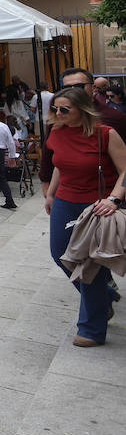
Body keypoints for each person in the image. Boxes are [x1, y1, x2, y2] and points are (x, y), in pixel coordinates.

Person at [42, 85, 126, 347]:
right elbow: (59, 164)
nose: (58, 113)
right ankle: (104, 296)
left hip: (96, 205)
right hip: (65, 201)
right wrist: (51, 194)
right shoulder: (57, 132)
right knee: (60, 255)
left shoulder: (105, 134)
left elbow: (125, 170)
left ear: (82, 110)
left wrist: (113, 199)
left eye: (64, 109)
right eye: (55, 108)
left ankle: (91, 328)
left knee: (90, 263)